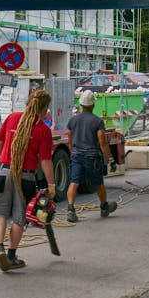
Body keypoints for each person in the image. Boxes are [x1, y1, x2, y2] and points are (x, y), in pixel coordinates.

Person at [0, 89, 56, 271]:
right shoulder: (43, 130)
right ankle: (11, 256)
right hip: (24, 176)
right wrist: (51, 185)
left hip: (3, 171)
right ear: (44, 107)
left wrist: (1, 162)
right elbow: (45, 161)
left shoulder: (12, 118)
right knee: (19, 217)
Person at [64, 90, 118, 223]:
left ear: (81, 104)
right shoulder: (97, 121)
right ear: (93, 105)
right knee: (98, 183)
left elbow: (69, 140)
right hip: (92, 157)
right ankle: (104, 207)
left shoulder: (72, 120)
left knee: (74, 182)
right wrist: (110, 159)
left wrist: (74, 153)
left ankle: (70, 210)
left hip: (76, 156)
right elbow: (102, 142)